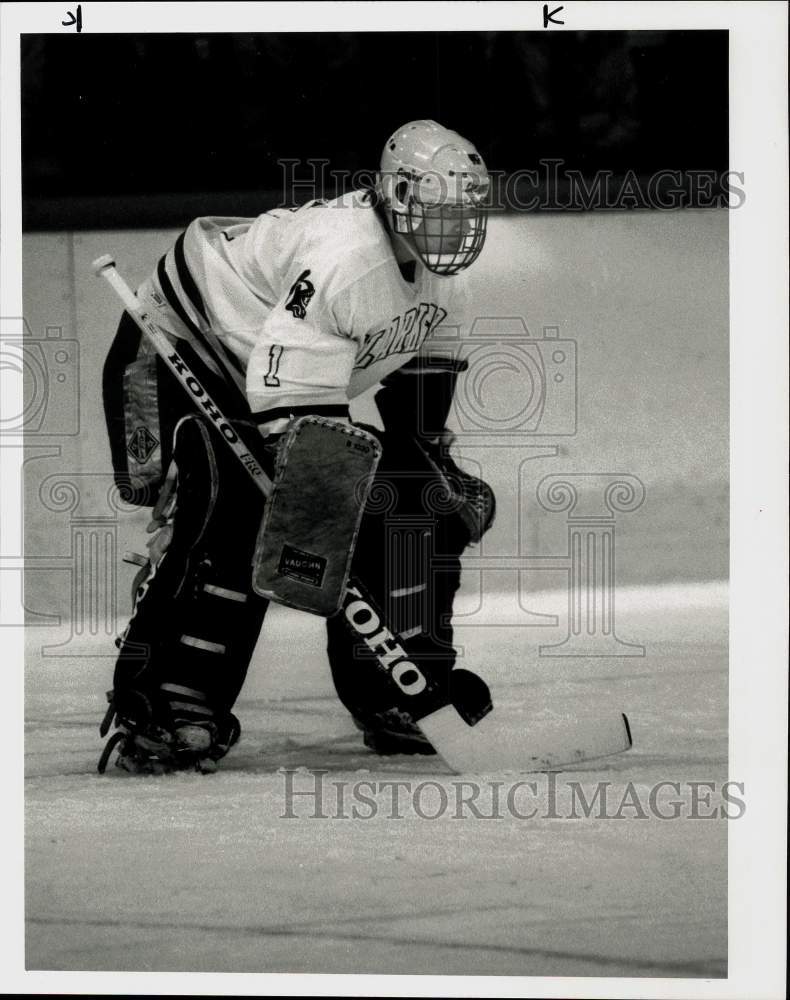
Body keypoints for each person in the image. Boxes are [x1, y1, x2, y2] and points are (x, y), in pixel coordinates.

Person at [99, 119, 496, 774]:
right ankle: (169, 700)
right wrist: (318, 508)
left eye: (465, 214)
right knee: (237, 509)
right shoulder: (348, 258)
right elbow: (288, 395)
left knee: (416, 504)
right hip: (180, 349)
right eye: (439, 213)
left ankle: (400, 687)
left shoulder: (442, 278)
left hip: (269, 372)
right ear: (397, 199)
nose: (454, 230)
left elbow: (417, 404)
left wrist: (427, 469)